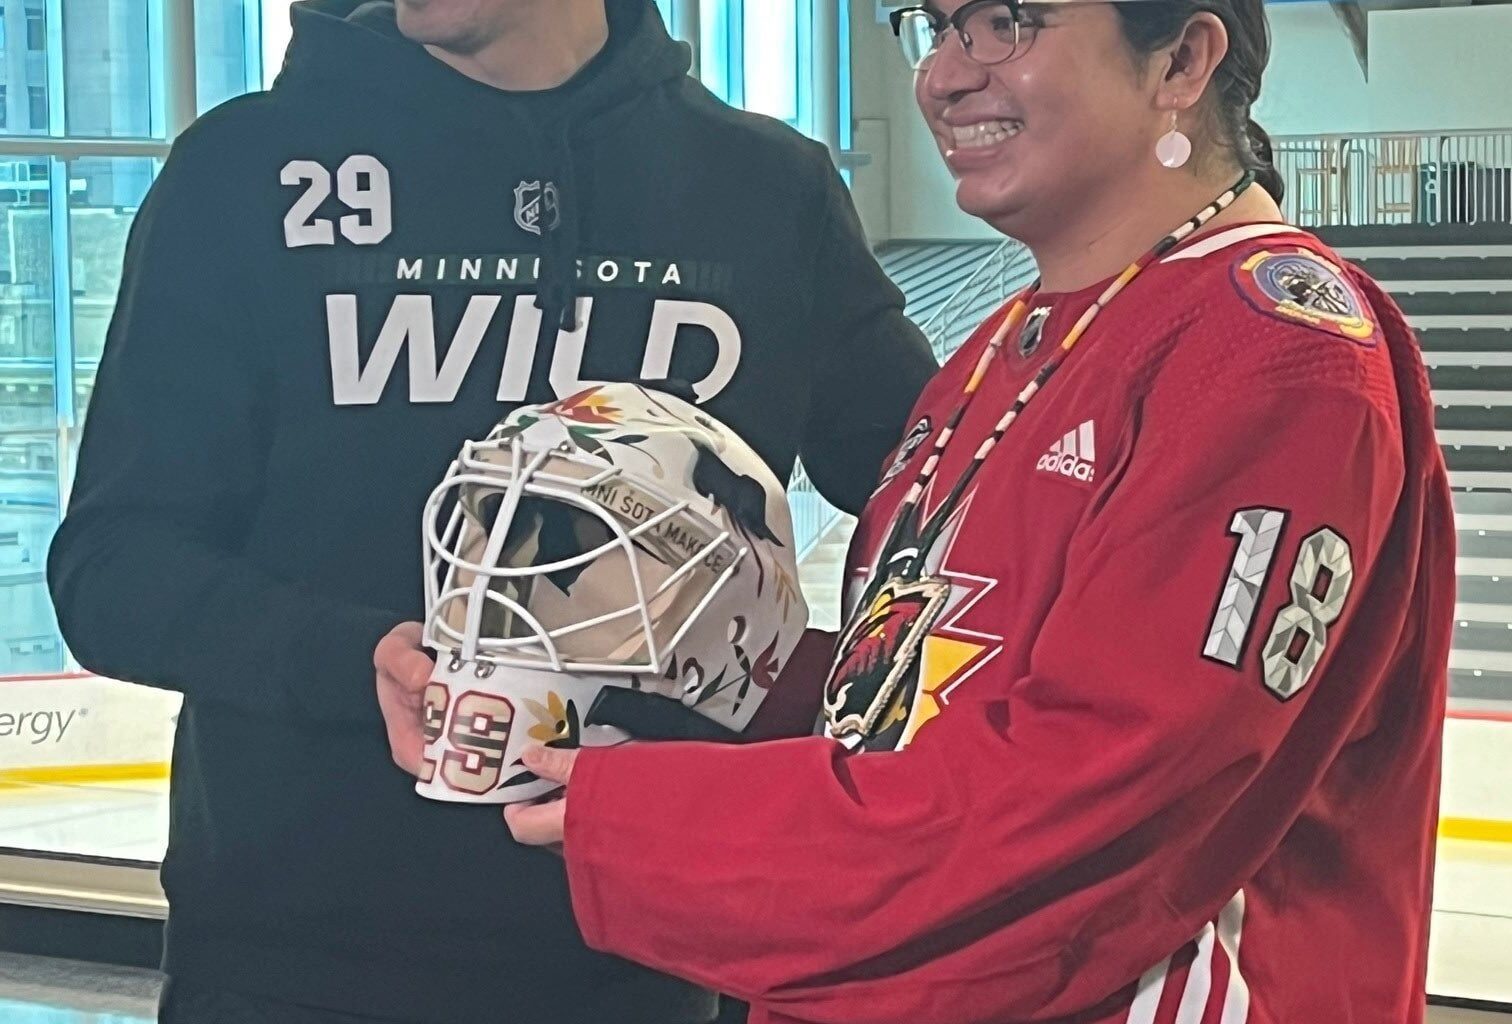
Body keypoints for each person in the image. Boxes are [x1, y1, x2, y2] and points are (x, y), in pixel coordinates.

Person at [488, 1, 1457, 1022]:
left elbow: (1081, 816)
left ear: (1182, 58)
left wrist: (631, 816)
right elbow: (906, 695)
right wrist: (639, 667)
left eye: (1004, 22)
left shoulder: (1275, 355)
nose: (940, 78)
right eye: (934, 26)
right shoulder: (1000, 346)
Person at [45, 0, 936, 1021]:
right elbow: (113, 567)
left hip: (647, 957)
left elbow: (948, 515)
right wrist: (351, 658)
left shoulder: (764, 190)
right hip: (292, 959)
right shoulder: (243, 173)